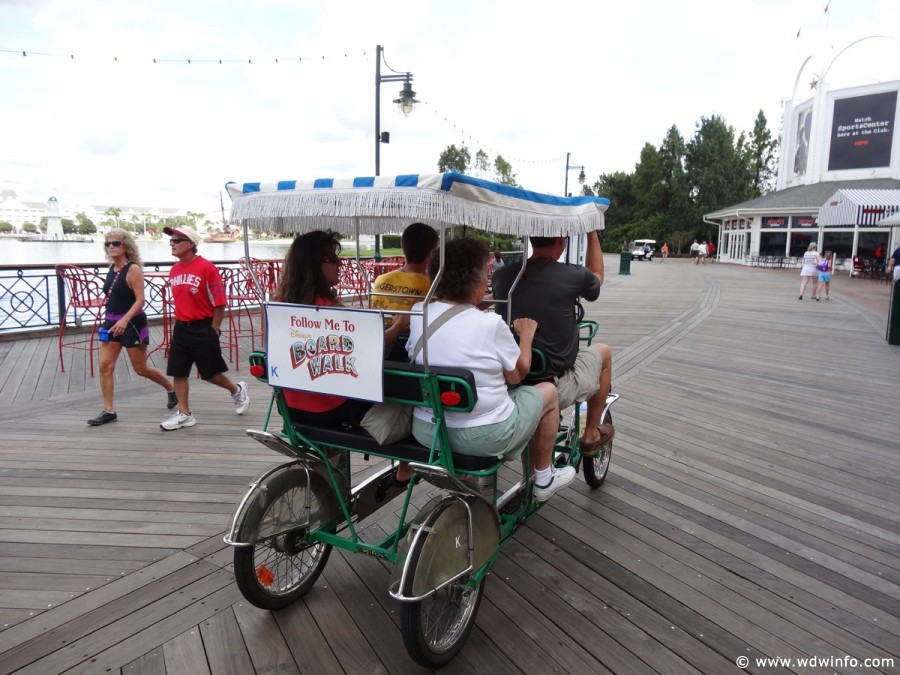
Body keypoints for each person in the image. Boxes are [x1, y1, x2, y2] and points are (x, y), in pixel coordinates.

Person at [408, 238, 573, 501]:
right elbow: (518, 374)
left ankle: (466, 491)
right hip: (484, 436)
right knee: (549, 391)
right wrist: (526, 336)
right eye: (486, 275)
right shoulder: (490, 324)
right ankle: (544, 477)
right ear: (477, 281)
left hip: (428, 430)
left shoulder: (420, 313)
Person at [492, 231, 615, 459]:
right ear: (561, 242)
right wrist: (592, 233)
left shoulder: (502, 276)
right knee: (604, 353)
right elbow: (597, 275)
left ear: (531, 241)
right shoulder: (573, 275)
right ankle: (590, 435)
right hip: (555, 382)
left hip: (511, 377)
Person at [160, 225, 249, 430]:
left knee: (210, 373)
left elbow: (219, 301)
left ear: (191, 244)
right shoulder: (174, 269)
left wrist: (214, 327)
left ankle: (236, 390)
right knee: (178, 372)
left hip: (203, 326)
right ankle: (184, 414)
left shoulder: (206, 267)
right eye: (171, 240)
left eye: (176, 240)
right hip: (181, 327)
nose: (171, 243)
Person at [87, 230, 177, 426]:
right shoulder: (113, 268)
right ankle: (108, 410)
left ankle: (171, 389)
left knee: (140, 368)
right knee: (105, 367)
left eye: (116, 243)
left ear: (126, 246)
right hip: (111, 324)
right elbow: (115, 294)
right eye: (108, 244)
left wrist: (125, 320)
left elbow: (140, 300)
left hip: (132, 324)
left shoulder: (133, 269)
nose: (111, 246)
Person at [370, 222, 438, 360]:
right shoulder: (431, 286)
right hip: (409, 349)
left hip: (378, 342)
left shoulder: (380, 280)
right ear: (431, 253)